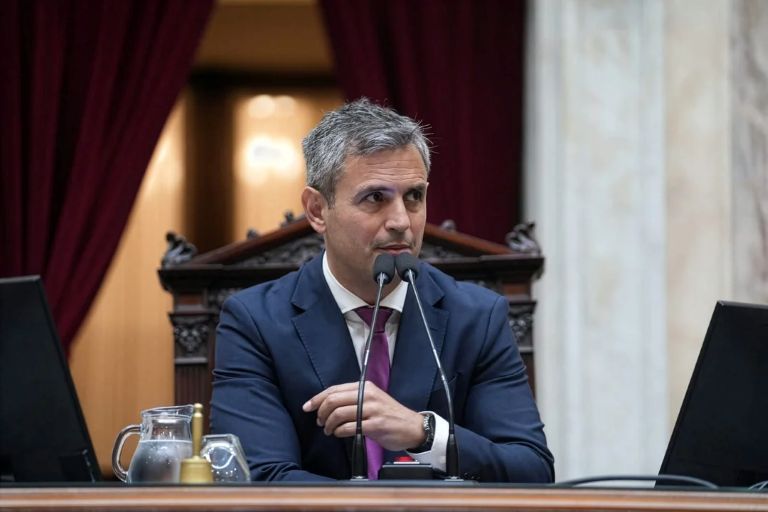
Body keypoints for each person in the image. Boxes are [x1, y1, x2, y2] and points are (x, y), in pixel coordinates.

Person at [210, 98, 554, 482]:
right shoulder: (255, 322)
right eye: (375, 198)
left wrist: (425, 433)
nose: (401, 221)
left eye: (414, 196)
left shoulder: (476, 316)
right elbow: (260, 479)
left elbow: (530, 470)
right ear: (318, 210)